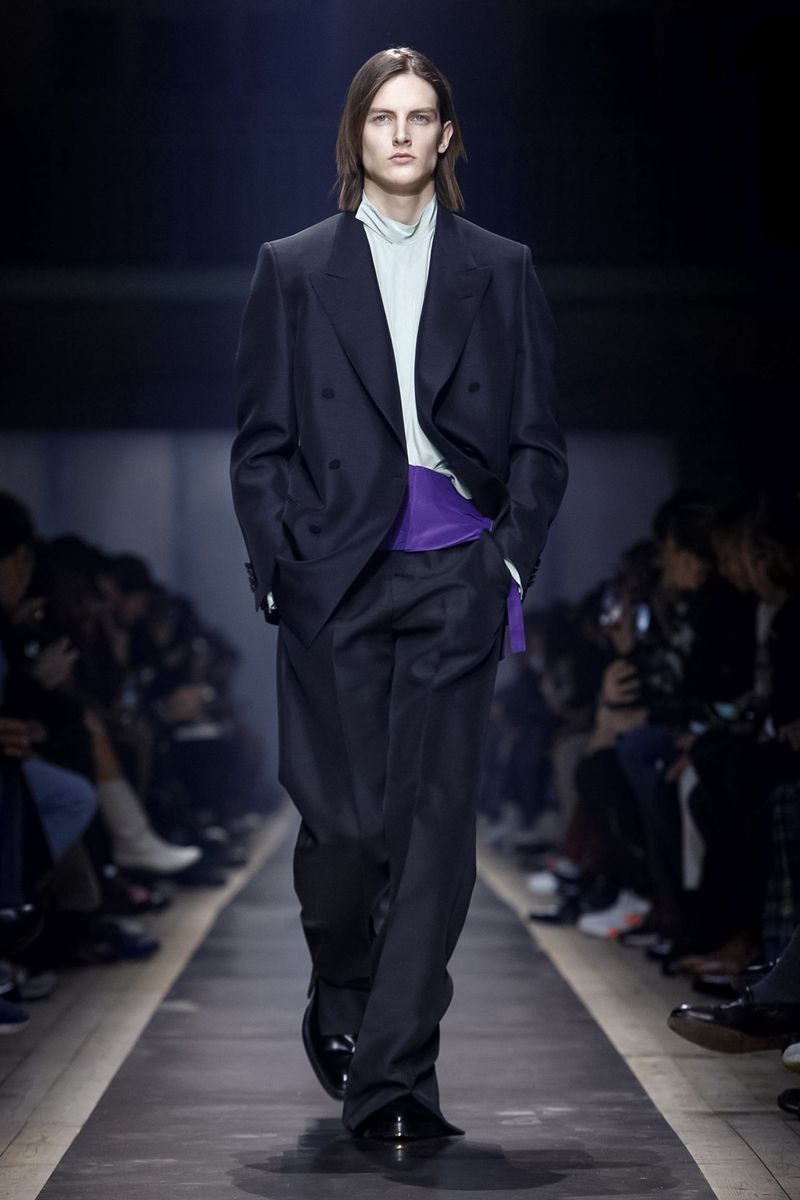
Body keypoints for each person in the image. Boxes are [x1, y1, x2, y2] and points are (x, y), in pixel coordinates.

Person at [230, 46, 567, 1141]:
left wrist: (505, 561)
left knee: (430, 838)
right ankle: (342, 981)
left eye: (422, 117)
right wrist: (280, 570)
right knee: (343, 832)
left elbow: (537, 438)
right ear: (356, 134)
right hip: (333, 576)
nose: (404, 134)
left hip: (455, 570)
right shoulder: (292, 267)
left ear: (447, 136)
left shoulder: (500, 267)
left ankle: (395, 1079)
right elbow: (260, 444)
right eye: (383, 117)